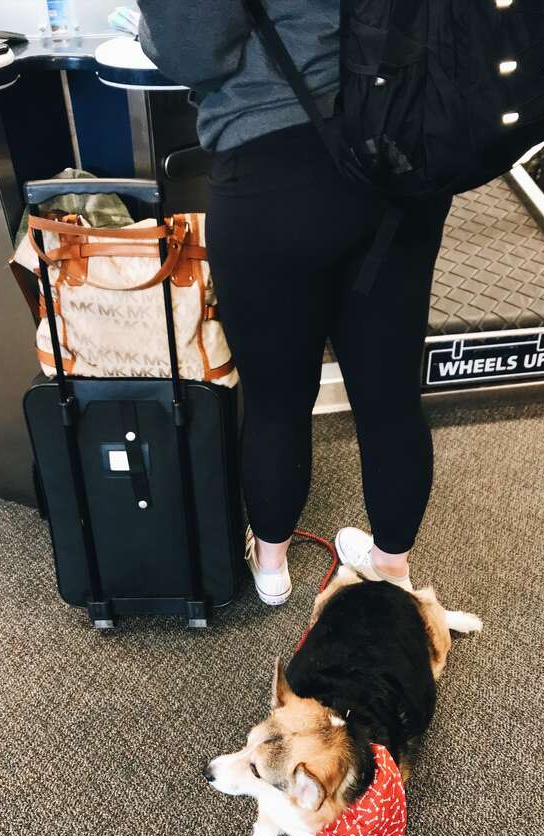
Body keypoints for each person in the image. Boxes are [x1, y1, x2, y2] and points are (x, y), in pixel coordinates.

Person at [138, 1, 452, 604]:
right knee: (389, 398)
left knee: (278, 399)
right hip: (400, 156)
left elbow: (193, 49)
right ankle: (391, 569)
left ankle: (274, 565)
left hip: (269, 166)